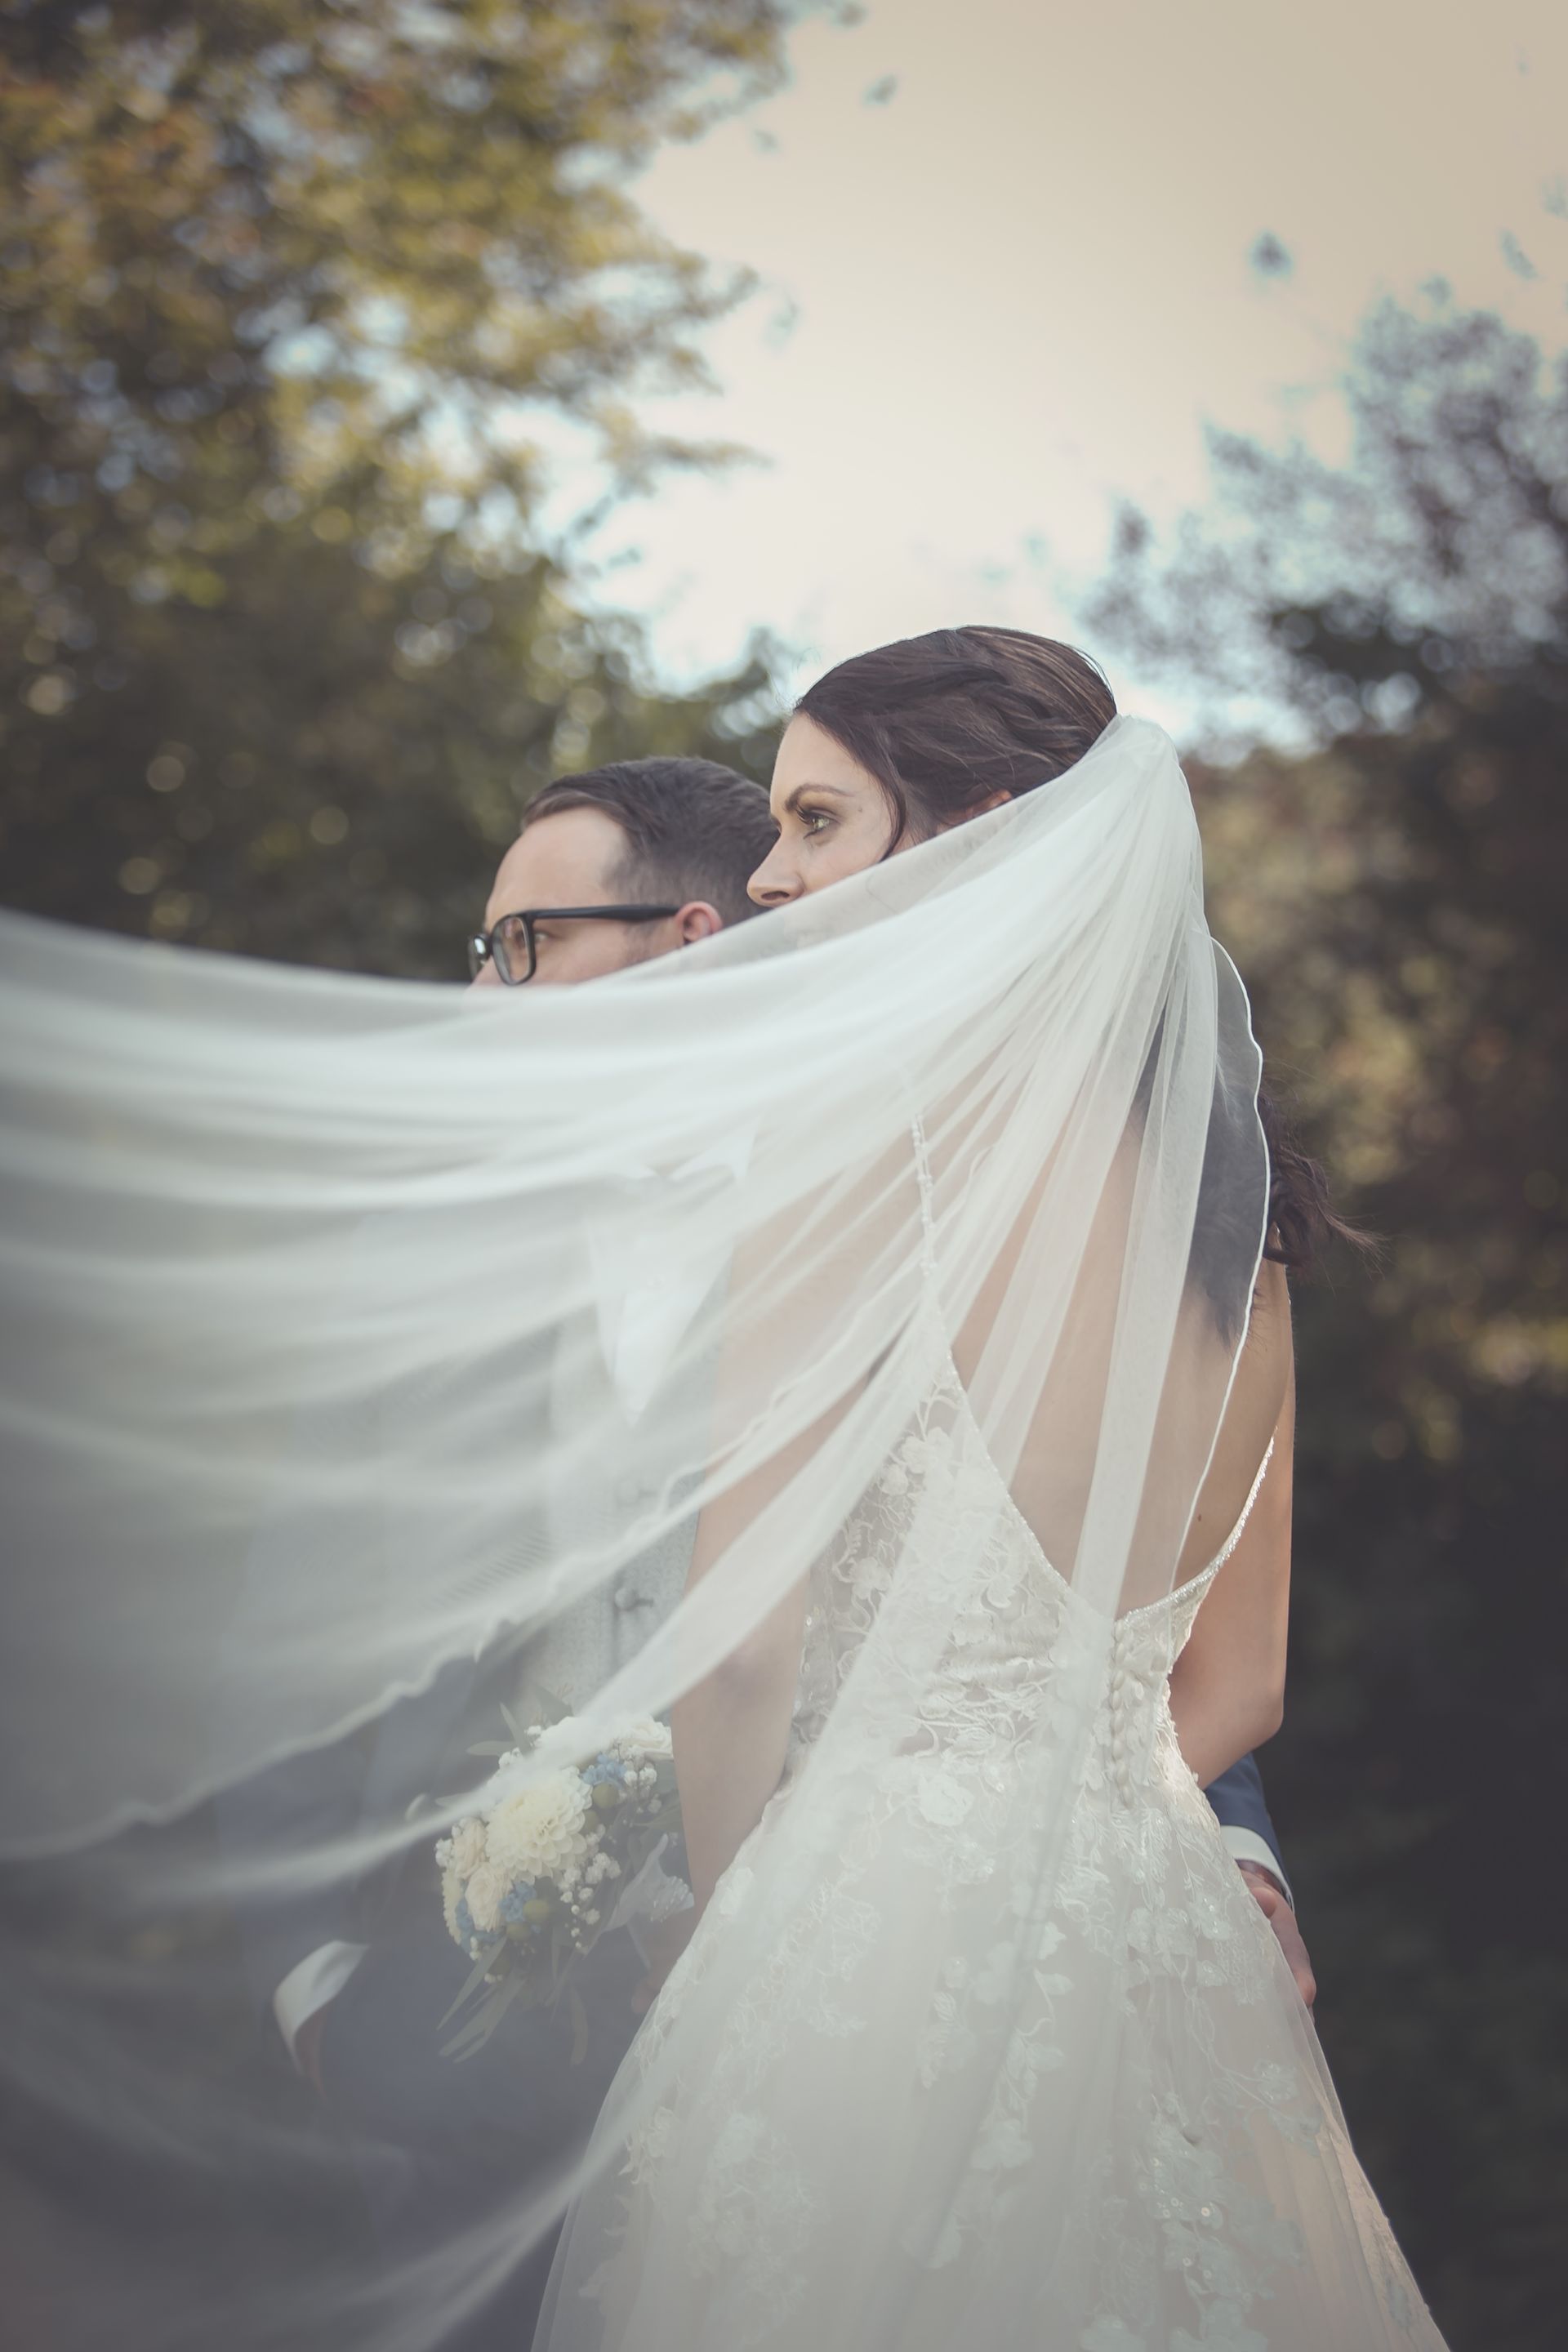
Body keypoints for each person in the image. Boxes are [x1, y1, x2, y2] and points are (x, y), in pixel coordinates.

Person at [534, 629, 1442, 2350]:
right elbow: (1238, 1690)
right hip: (1157, 1927)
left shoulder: (844, 1168)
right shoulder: (1236, 1233)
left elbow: (739, 1650)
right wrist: (1072, 1826)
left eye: (815, 821)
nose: (773, 873)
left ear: (983, 831)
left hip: (863, 1924)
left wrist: (756, 1938)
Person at [215, 757, 781, 2351]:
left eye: (523, 946)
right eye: (483, 951)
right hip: (455, 2042)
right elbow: (288, 1613)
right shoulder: (425, 1249)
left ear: (684, 943)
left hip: (815, 2013)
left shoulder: (896, 1220)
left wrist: (1222, 1830)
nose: (479, 999)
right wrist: (315, 1982)